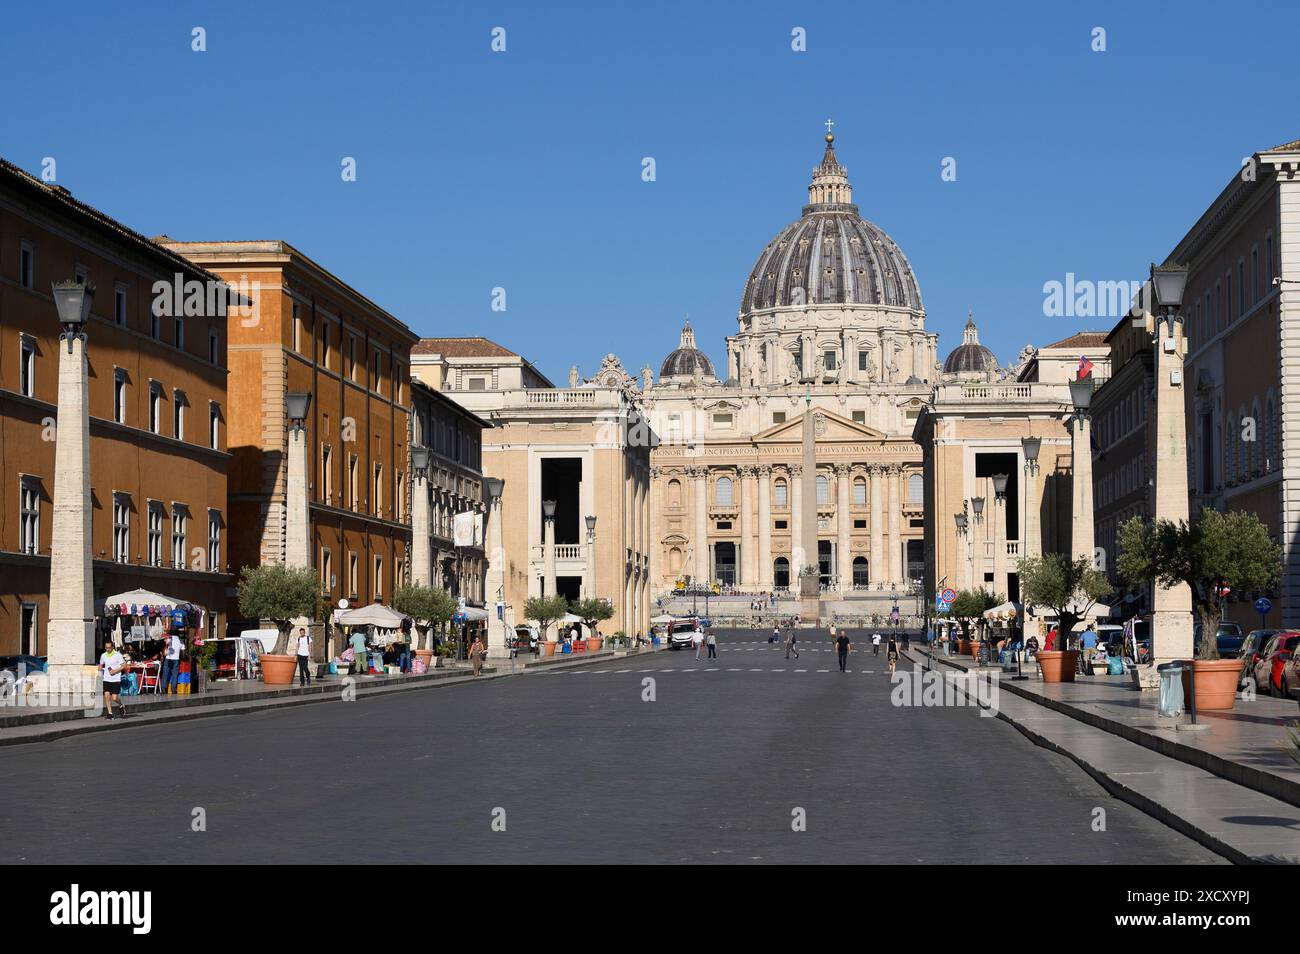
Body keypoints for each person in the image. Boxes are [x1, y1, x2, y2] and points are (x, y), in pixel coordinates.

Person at [98, 637, 127, 720]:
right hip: (106, 678)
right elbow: (101, 664)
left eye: (109, 647)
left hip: (115, 679)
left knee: (114, 698)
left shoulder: (117, 655)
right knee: (106, 696)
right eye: (106, 648)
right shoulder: (103, 655)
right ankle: (110, 713)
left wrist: (115, 670)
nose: (108, 649)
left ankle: (121, 705)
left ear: (112, 647)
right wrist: (99, 668)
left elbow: (124, 665)